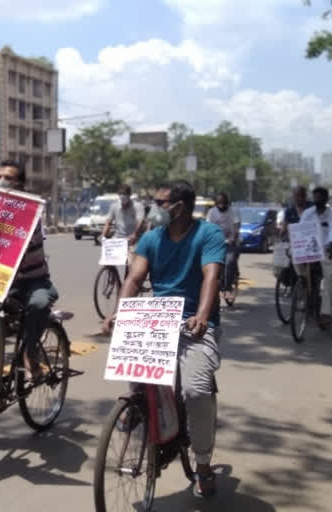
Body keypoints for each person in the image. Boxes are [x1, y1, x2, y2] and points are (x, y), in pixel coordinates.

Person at [103, 180, 225, 498]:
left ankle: (202, 463)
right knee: (137, 382)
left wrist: (201, 315)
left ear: (180, 207)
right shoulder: (151, 238)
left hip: (194, 325)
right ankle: (146, 416)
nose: (154, 208)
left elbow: (211, 276)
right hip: (155, 320)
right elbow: (134, 278)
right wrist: (121, 312)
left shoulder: (208, 234)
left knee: (196, 389)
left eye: (160, 203)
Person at [0, 160, 59, 425]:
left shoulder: (31, 211)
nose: (2, 181)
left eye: (9, 178)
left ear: (20, 185)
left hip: (33, 280)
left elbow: (22, 243)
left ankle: (31, 354)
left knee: (38, 305)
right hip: (1, 281)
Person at [298, 187, 332, 328]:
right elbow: (300, 230)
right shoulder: (308, 213)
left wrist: (331, 245)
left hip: (326, 251)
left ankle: (325, 313)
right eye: (315, 197)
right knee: (295, 262)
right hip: (309, 250)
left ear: (326, 199)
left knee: (328, 278)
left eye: (321, 197)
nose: (318, 199)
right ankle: (303, 286)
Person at [206, 192, 240, 303]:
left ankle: (228, 288)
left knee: (229, 261)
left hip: (230, 242)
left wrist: (232, 238)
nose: (221, 206)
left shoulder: (234, 211)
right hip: (216, 242)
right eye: (219, 204)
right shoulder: (211, 212)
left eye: (223, 204)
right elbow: (208, 227)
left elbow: (236, 226)